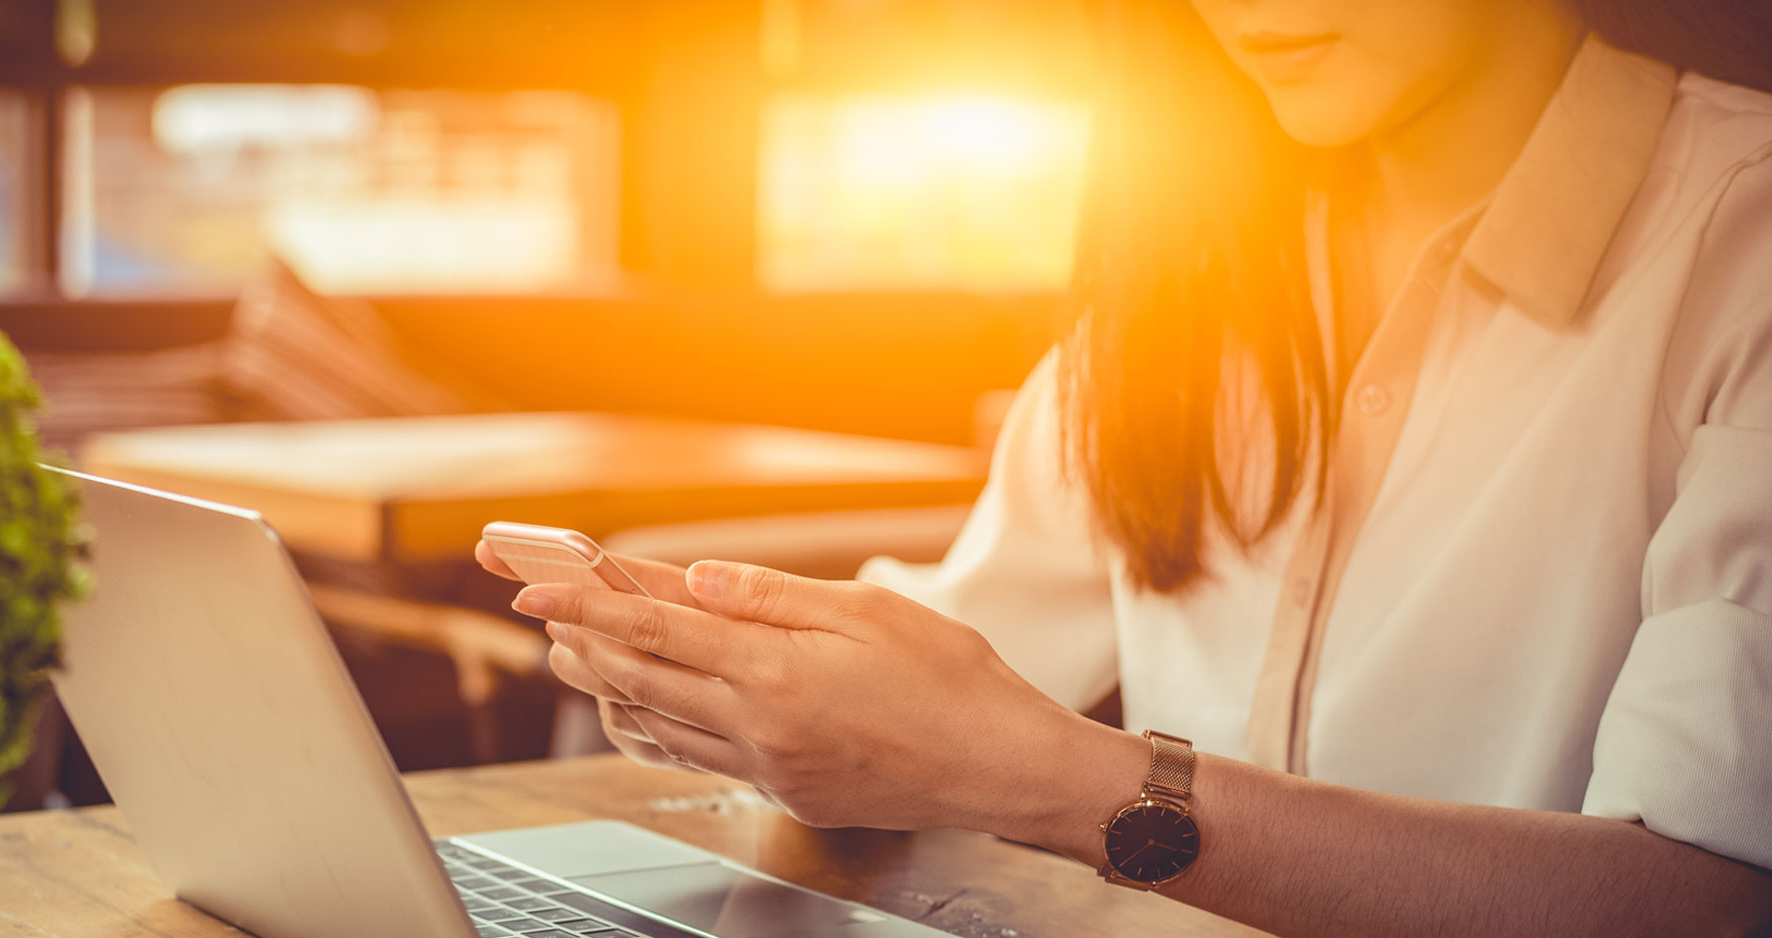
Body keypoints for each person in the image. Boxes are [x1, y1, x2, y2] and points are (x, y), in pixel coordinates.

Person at [478, 0, 1772, 934]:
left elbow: (1713, 899)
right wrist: (742, 685)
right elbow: (963, 657)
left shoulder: (1741, 243)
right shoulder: (1192, 275)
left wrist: (1062, 782)